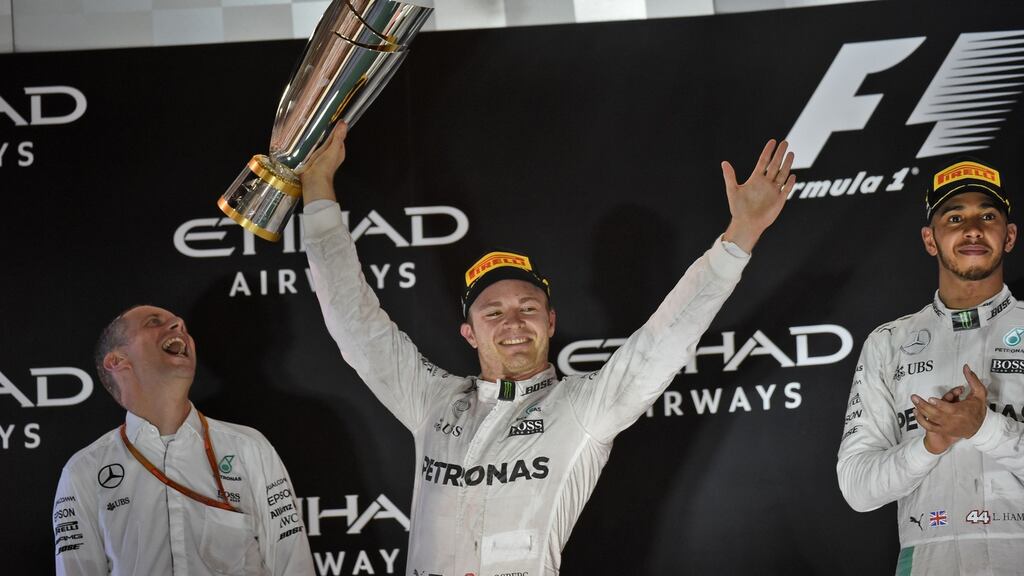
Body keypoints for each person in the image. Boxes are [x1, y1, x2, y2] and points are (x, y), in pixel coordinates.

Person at [299, 123, 794, 576]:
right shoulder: (432, 400)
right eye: (492, 313)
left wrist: (740, 235)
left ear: (551, 322)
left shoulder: (580, 409)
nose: (513, 322)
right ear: (468, 333)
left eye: (528, 308)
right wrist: (318, 188)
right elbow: (355, 324)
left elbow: (662, 342)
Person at [837, 158, 1024, 574]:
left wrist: (984, 429)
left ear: (1009, 236)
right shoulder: (888, 343)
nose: (972, 229)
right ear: (929, 239)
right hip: (928, 558)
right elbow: (857, 488)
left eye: (987, 216)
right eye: (954, 217)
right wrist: (928, 446)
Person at [52, 305, 315, 576]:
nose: (178, 324)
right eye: (153, 322)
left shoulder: (249, 447)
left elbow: (293, 565)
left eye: (181, 325)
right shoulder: (83, 470)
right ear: (117, 361)